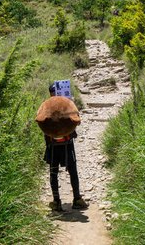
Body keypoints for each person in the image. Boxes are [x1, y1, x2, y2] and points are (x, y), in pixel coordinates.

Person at [45, 82, 89, 212]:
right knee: (69, 171)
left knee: (56, 172)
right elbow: (77, 121)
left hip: (53, 145)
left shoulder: (47, 105)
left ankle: (59, 201)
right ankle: (74, 199)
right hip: (64, 145)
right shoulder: (65, 104)